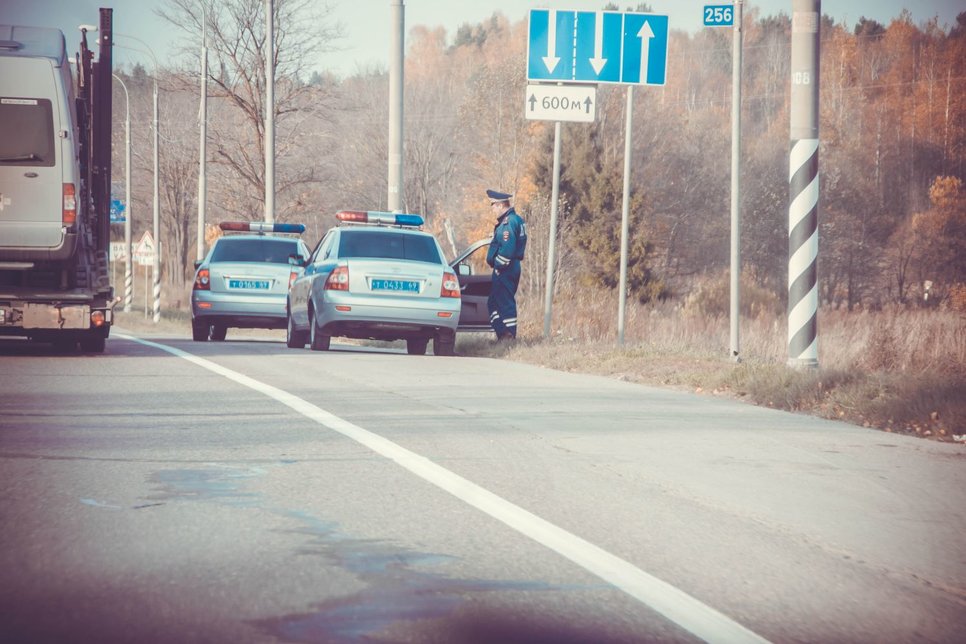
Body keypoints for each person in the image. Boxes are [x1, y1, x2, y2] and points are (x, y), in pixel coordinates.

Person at [485, 189, 527, 340]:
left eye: (494, 205)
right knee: (494, 302)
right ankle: (503, 334)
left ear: (502, 205)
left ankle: (508, 336)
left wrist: (498, 267)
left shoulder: (507, 223)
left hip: (506, 269)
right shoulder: (515, 220)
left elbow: (507, 251)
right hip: (511, 267)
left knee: (505, 303)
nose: (493, 209)